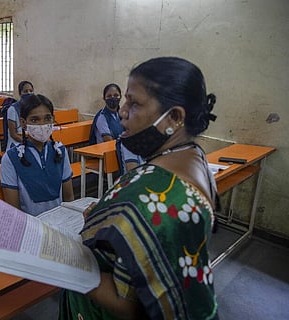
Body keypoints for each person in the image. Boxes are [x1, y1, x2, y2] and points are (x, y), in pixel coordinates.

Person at [59, 57, 219, 319]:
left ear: (175, 117)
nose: (122, 111)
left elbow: (129, 303)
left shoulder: (148, 195)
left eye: (133, 103)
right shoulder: (194, 157)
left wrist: (61, 264)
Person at [0, 94, 74, 216]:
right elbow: (14, 211)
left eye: (47, 118)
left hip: (60, 223)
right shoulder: (11, 158)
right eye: (35, 120)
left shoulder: (60, 151)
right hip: (31, 228)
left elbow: (69, 198)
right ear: (23, 123)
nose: (42, 125)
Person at [90, 83, 142, 173]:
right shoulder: (102, 117)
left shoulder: (121, 114)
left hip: (118, 150)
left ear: (120, 97)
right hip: (105, 155)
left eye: (116, 95)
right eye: (109, 96)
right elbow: (108, 140)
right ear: (104, 98)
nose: (113, 98)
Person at [5, 80, 34, 149]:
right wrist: (28, 143)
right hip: (16, 144)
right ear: (20, 93)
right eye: (25, 91)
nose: (29, 93)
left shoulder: (34, 108)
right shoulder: (13, 109)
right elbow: (13, 134)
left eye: (31, 91)